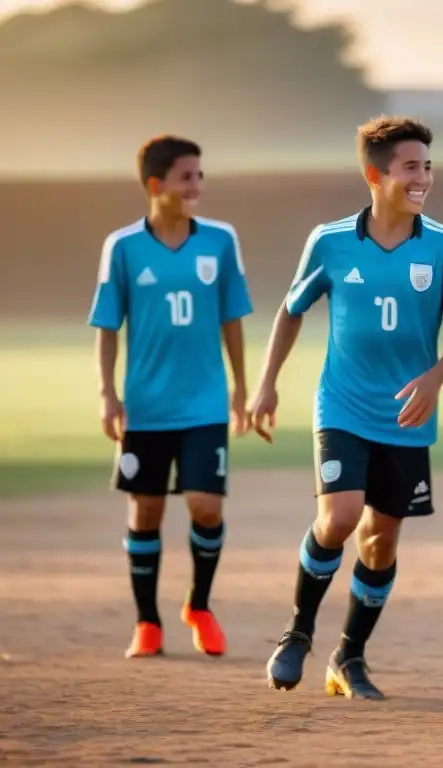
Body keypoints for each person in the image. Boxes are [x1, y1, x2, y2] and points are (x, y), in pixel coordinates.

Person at [249, 116, 443, 699]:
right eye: (411, 167)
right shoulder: (329, 241)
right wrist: (266, 384)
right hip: (343, 407)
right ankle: (297, 633)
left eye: (428, 166)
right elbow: (291, 309)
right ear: (374, 175)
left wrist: (433, 379)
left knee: (380, 541)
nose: (424, 177)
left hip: (407, 416)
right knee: (339, 519)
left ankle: (348, 657)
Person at [87, 135, 253, 659]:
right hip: (146, 407)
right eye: (187, 177)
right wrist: (108, 394)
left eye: (200, 175)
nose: (197, 186)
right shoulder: (123, 247)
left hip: (204, 404)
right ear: (156, 185)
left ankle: (199, 606)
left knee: (205, 506)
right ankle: (147, 623)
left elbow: (232, 318)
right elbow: (107, 326)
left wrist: (241, 387)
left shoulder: (221, 241)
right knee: (146, 512)